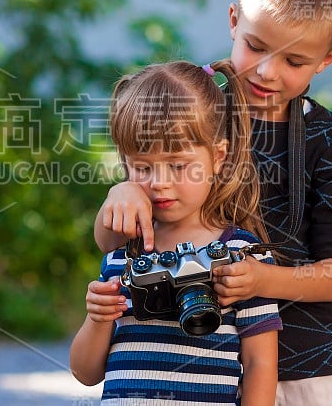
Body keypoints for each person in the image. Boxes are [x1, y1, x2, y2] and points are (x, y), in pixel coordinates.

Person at [93, 0, 332, 405]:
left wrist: (263, 281)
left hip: (312, 365)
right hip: (204, 362)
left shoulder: (330, 139)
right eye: (255, 46)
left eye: (294, 61)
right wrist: (122, 193)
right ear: (234, 20)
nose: (267, 71)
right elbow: (112, 244)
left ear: (327, 60)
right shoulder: (191, 110)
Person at [70, 60, 283, 406]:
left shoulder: (241, 254)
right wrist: (97, 318)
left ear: (218, 157)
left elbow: (260, 362)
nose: (159, 182)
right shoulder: (125, 254)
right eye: (141, 167)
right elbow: (86, 373)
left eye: (178, 165)